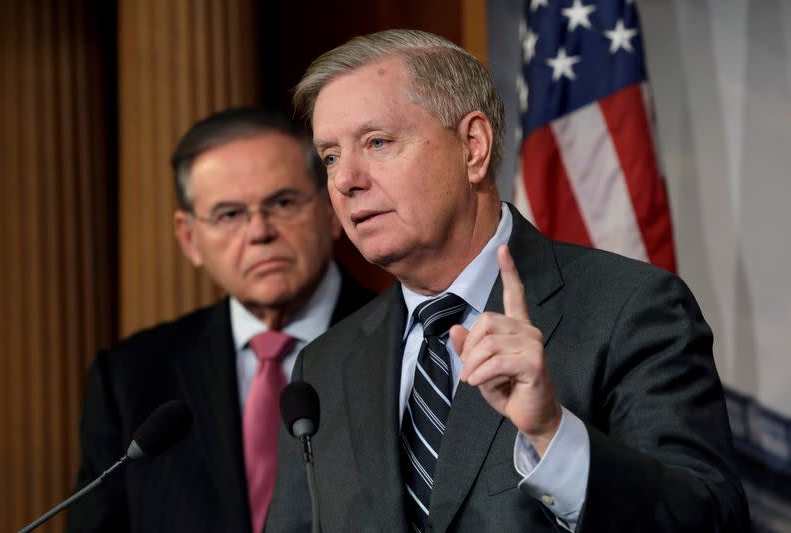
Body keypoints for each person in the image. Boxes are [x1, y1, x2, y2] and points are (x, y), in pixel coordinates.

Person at [267, 30, 749, 532]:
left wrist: (550, 433)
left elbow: (709, 520)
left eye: (377, 142)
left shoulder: (631, 310)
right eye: (330, 157)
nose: (346, 179)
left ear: (473, 146)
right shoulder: (322, 368)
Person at [67, 108, 374, 533]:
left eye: (282, 203)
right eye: (229, 214)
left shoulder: (406, 340)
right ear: (189, 239)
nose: (259, 232)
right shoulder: (129, 378)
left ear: (329, 209)